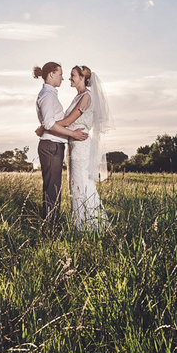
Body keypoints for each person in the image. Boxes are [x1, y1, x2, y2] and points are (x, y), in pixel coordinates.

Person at [33, 61, 88, 227]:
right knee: (52, 189)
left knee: (52, 187)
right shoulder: (48, 95)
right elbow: (50, 123)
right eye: (60, 74)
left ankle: (51, 224)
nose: (63, 78)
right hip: (51, 145)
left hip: (52, 145)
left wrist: (42, 127)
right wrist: (73, 134)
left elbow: (49, 122)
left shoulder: (50, 94)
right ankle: (51, 228)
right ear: (51, 74)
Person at [59, 65, 112, 232]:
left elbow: (68, 121)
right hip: (73, 144)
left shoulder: (86, 97)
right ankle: (81, 224)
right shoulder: (79, 96)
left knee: (81, 184)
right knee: (75, 184)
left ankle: (90, 226)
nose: (69, 78)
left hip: (81, 145)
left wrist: (48, 126)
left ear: (82, 78)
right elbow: (68, 122)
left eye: (73, 75)